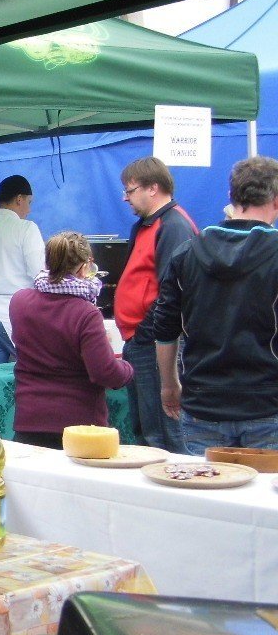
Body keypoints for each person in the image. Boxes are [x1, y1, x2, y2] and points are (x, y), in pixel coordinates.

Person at [150, 157, 278, 454]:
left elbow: (165, 328)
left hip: (203, 405)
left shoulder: (187, 253)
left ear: (232, 197)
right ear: (275, 199)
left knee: (206, 499)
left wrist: (168, 385)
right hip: (267, 405)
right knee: (266, 501)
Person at [8, 232, 133, 449]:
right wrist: (129, 368)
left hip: (29, 421)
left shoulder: (19, 301)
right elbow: (104, 372)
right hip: (80, 427)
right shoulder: (86, 313)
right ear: (85, 267)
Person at [114, 156, 197, 454]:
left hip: (153, 344)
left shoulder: (173, 226)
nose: (125, 197)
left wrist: (143, 333)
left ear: (153, 188)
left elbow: (172, 293)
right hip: (140, 341)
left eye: (130, 189)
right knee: (145, 430)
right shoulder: (147, 225)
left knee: (163, 434)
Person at [0, 174, 45, 366]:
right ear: (19, 199)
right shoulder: (26, 229)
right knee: (33, 379)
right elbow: (39, 275)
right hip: (16, 317)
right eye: (29, 202)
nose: (29, 210)